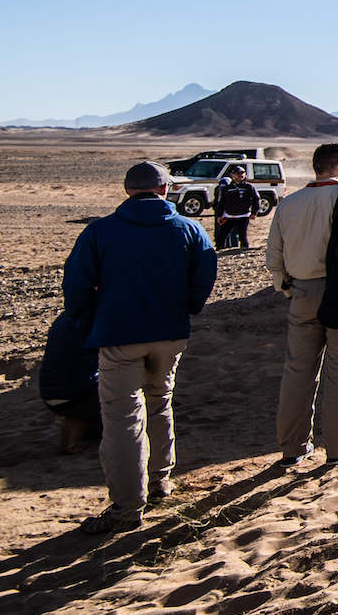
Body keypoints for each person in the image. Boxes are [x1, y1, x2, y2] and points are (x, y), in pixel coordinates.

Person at [63, 161, 218, 534]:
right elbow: (206, 273)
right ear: (166, 190)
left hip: (118, 335)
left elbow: (76, 285)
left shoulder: (100, 232)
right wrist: (187, 307)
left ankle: (127, 507)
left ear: (127, 190)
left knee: (121, 418)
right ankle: (159, 481)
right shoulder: (190, 229)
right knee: (159, 401)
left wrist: (90, 319)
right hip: (170, 332)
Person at [266, 144, 338, 471]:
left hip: (302, 294)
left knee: (297, 372)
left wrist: (288, 288)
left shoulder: (288, 204)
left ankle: (292, 449)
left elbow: (274, 258)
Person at [38, 305, 102, 453]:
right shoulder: (98, 317)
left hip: (50, 396)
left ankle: (72, 436)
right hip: (79, 396)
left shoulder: (64, 317)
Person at [213, 165, 256, 251]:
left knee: (242, 237)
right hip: (229, 216)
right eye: (238, 173)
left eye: (242, 173)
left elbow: (255, 200)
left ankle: (244, 252)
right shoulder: (228, 188)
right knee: (221, 236)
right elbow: (221, 203)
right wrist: (219, 215)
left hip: (243, 216)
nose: (240, 175)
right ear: (233, 175)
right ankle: (218, 252)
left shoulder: (249, 187)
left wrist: (254, 212)